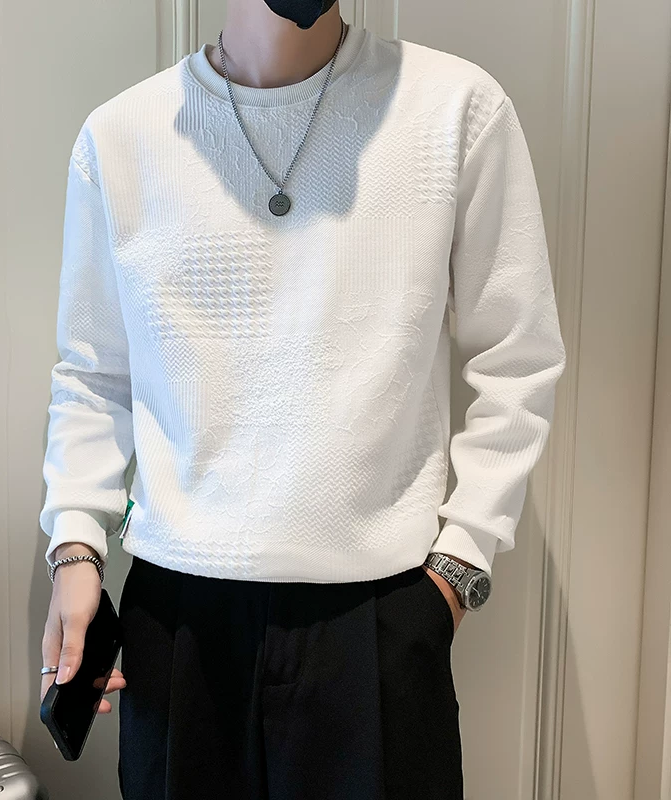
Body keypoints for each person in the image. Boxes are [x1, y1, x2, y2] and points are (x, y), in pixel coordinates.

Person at [39, 0, 567, 796]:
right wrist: (77, 547)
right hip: (179, 617)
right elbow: (93, 373)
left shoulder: (455, 109)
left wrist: (459, 569)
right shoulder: (121, 136)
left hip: (379, 613)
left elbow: (518, 357)